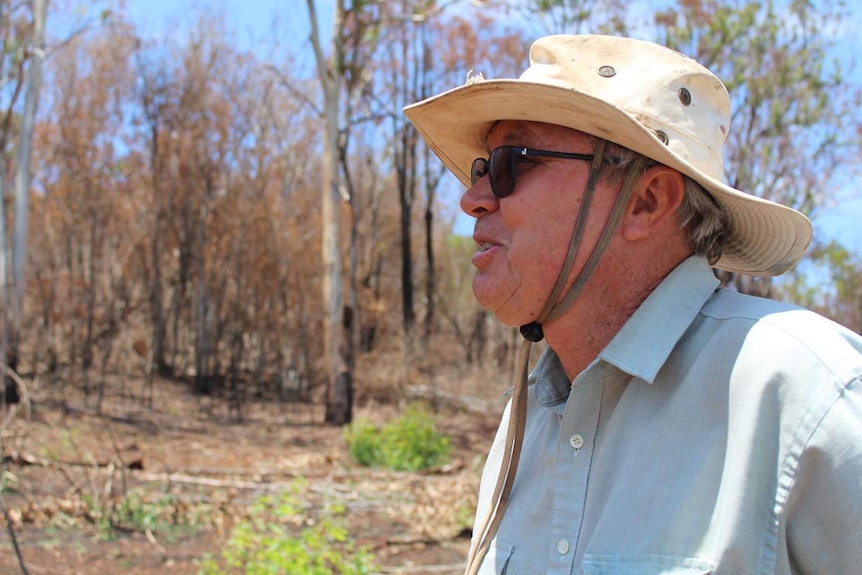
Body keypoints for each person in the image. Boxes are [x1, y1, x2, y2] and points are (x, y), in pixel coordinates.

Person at [403, 34, 862, 575]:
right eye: (483, 169)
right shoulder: (524, 423)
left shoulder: (809, 394)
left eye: (512, 163)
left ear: (646, 202)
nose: (473, 198)